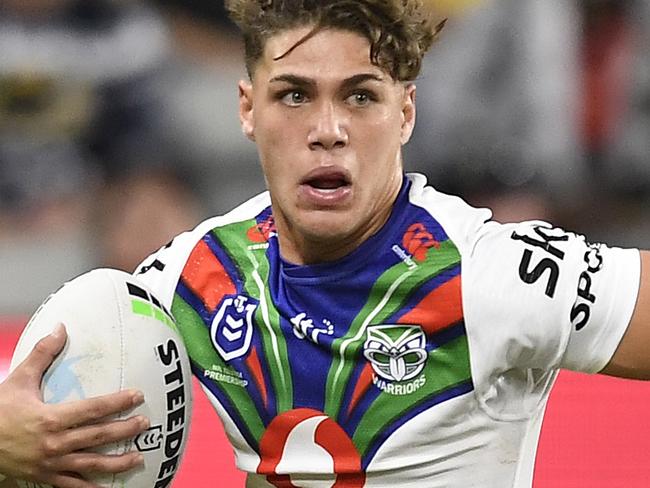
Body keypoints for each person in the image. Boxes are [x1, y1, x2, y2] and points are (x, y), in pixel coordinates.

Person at [1, 0, 649, 486]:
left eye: (361, 96)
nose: (328, 129)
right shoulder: (193, 275)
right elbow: (45, 416)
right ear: (248, 110)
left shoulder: (493, 274)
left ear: (406, 114)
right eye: (294, 96)